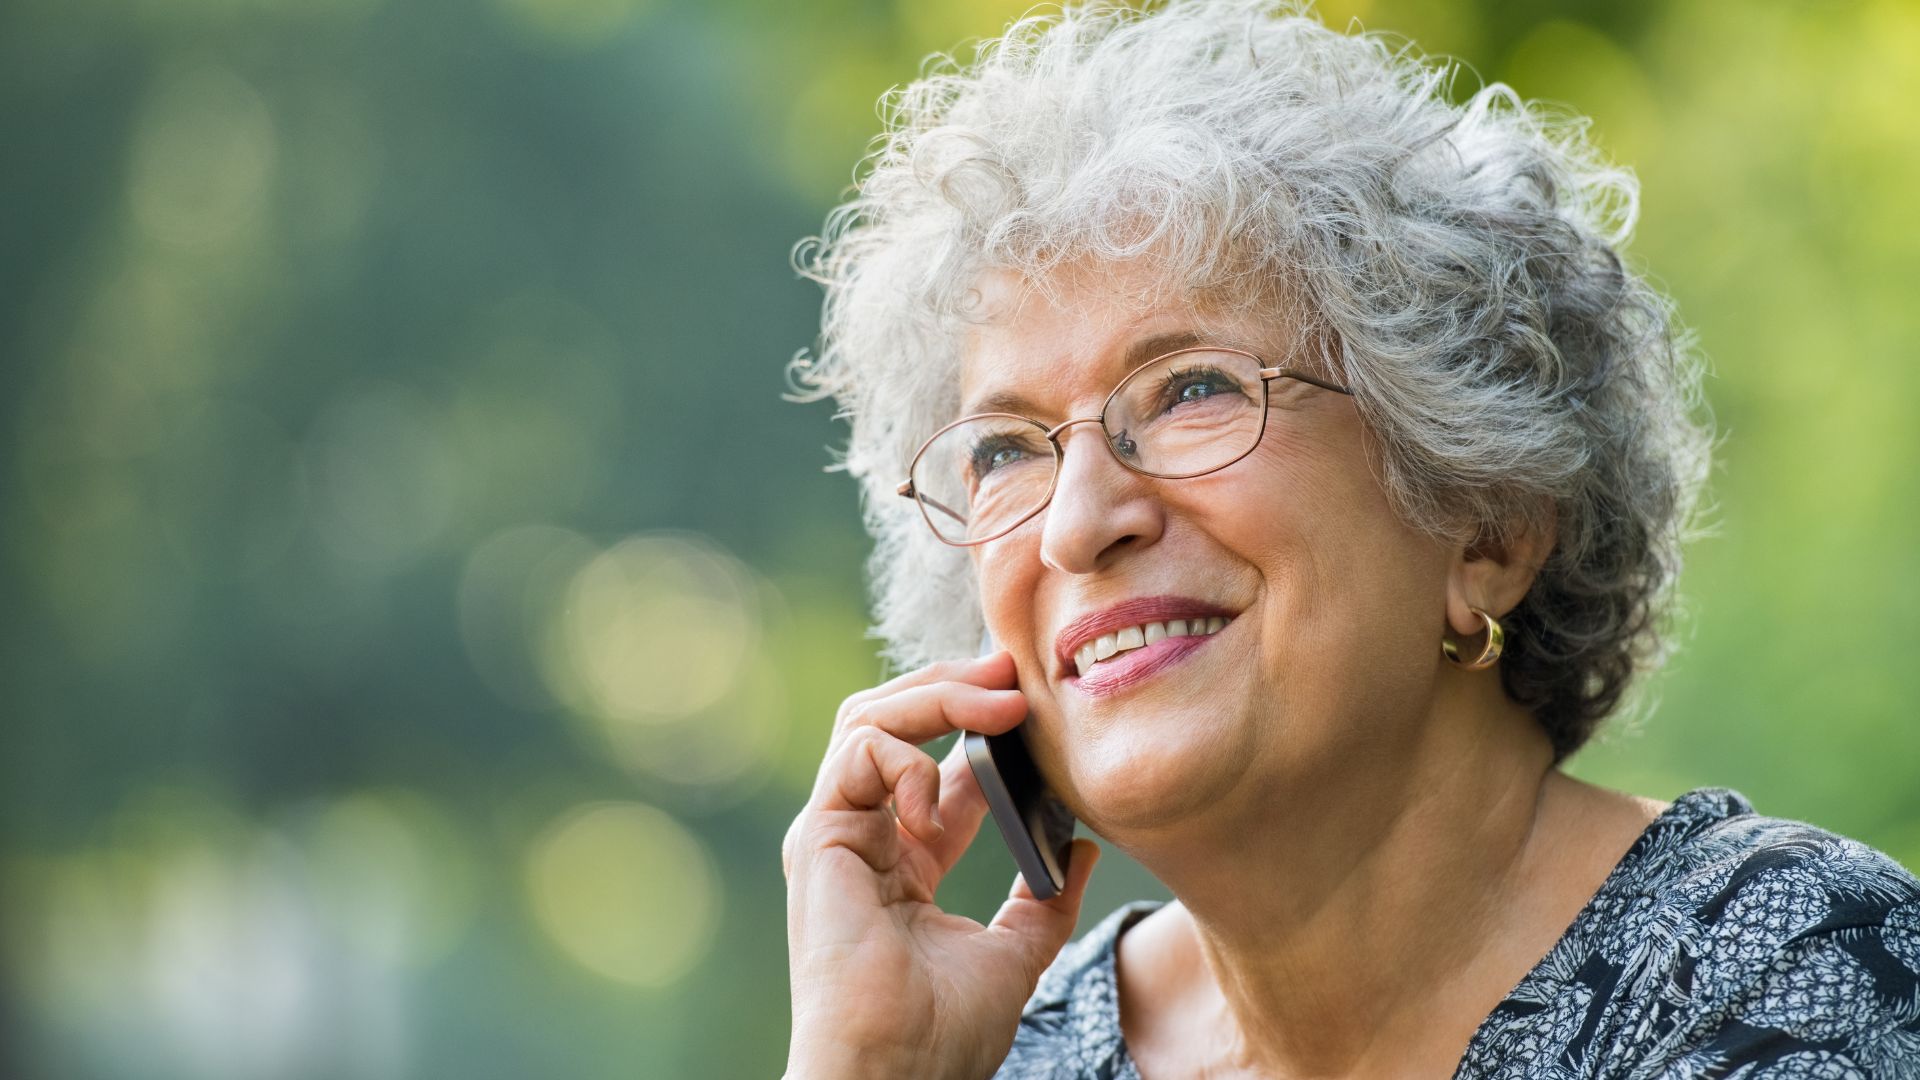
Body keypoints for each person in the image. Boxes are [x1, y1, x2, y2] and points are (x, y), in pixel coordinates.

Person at [778, 1, 1920, 1076]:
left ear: (1487, 522)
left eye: (1189, 392)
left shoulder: (1790, 972)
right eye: (1006, 450)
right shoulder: (1004, 1052)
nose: (1078, 524)